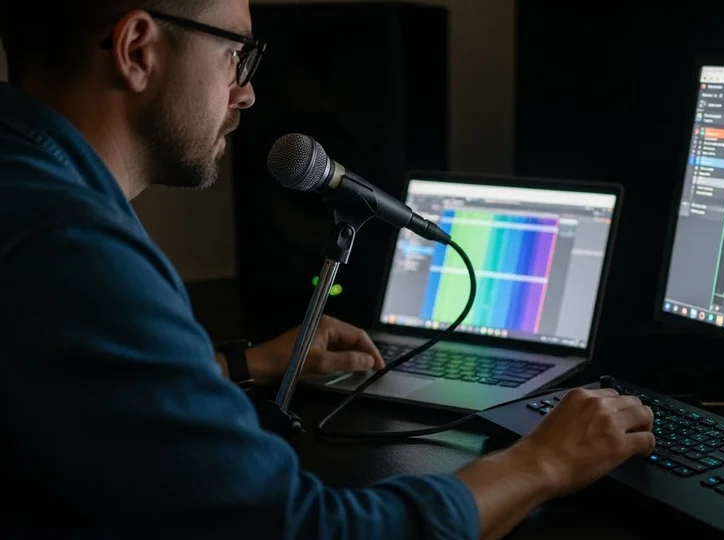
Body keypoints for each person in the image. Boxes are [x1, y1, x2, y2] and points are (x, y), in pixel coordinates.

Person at [0, 1, 656, 538]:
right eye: (237, 53)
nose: (249, 92)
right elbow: (306, 531)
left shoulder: (27, 192)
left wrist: (239, 365)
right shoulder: (73, 248)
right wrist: (544, 460)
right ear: (138, 49)